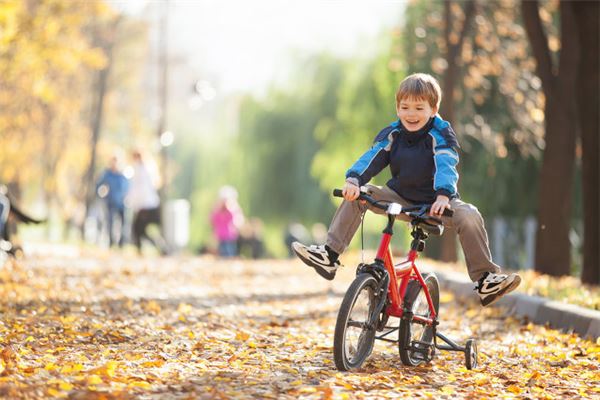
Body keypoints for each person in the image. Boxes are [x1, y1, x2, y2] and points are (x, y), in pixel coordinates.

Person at [292, 73, 521, 307]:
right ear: (397, 109)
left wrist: (443, 194)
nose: (411, 114)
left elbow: (446, 164)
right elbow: (372, 157)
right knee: (361, 194)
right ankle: (329, 255)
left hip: (435, 202)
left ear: (433, 109)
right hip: (400, 198)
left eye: (419, 108)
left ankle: (485, 280)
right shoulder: (394, 134)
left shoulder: (440, 134)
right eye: (405, 107)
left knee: (470, 215)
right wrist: (353, 180)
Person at [126, 150, 168, 255]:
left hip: (145, 205)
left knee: (138, 229)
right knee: (141, 230)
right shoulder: (146, 168)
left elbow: (139, 190)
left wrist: (134, 203)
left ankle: (158, 247)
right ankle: (159, 246)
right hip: (149, 205)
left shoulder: (140, 170)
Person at [96, 155, 129, 247]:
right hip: (110, 201)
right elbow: (98, 184)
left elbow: (128, 187)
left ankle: (121, 242)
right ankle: (111, 241)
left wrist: (127, 197)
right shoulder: (107, 174)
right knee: (110, 222)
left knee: (123, 223)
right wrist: (101, 194)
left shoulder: (123, 175)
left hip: (122, 203)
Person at [210, 186, 244, 257]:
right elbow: (213, 220)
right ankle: (225, 261)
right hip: (221, 234)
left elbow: (236, 220)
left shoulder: (232, 210)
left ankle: (229, 260)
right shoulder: (218, 211)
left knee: (229, 249)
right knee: (222, 250)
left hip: (229, 234)